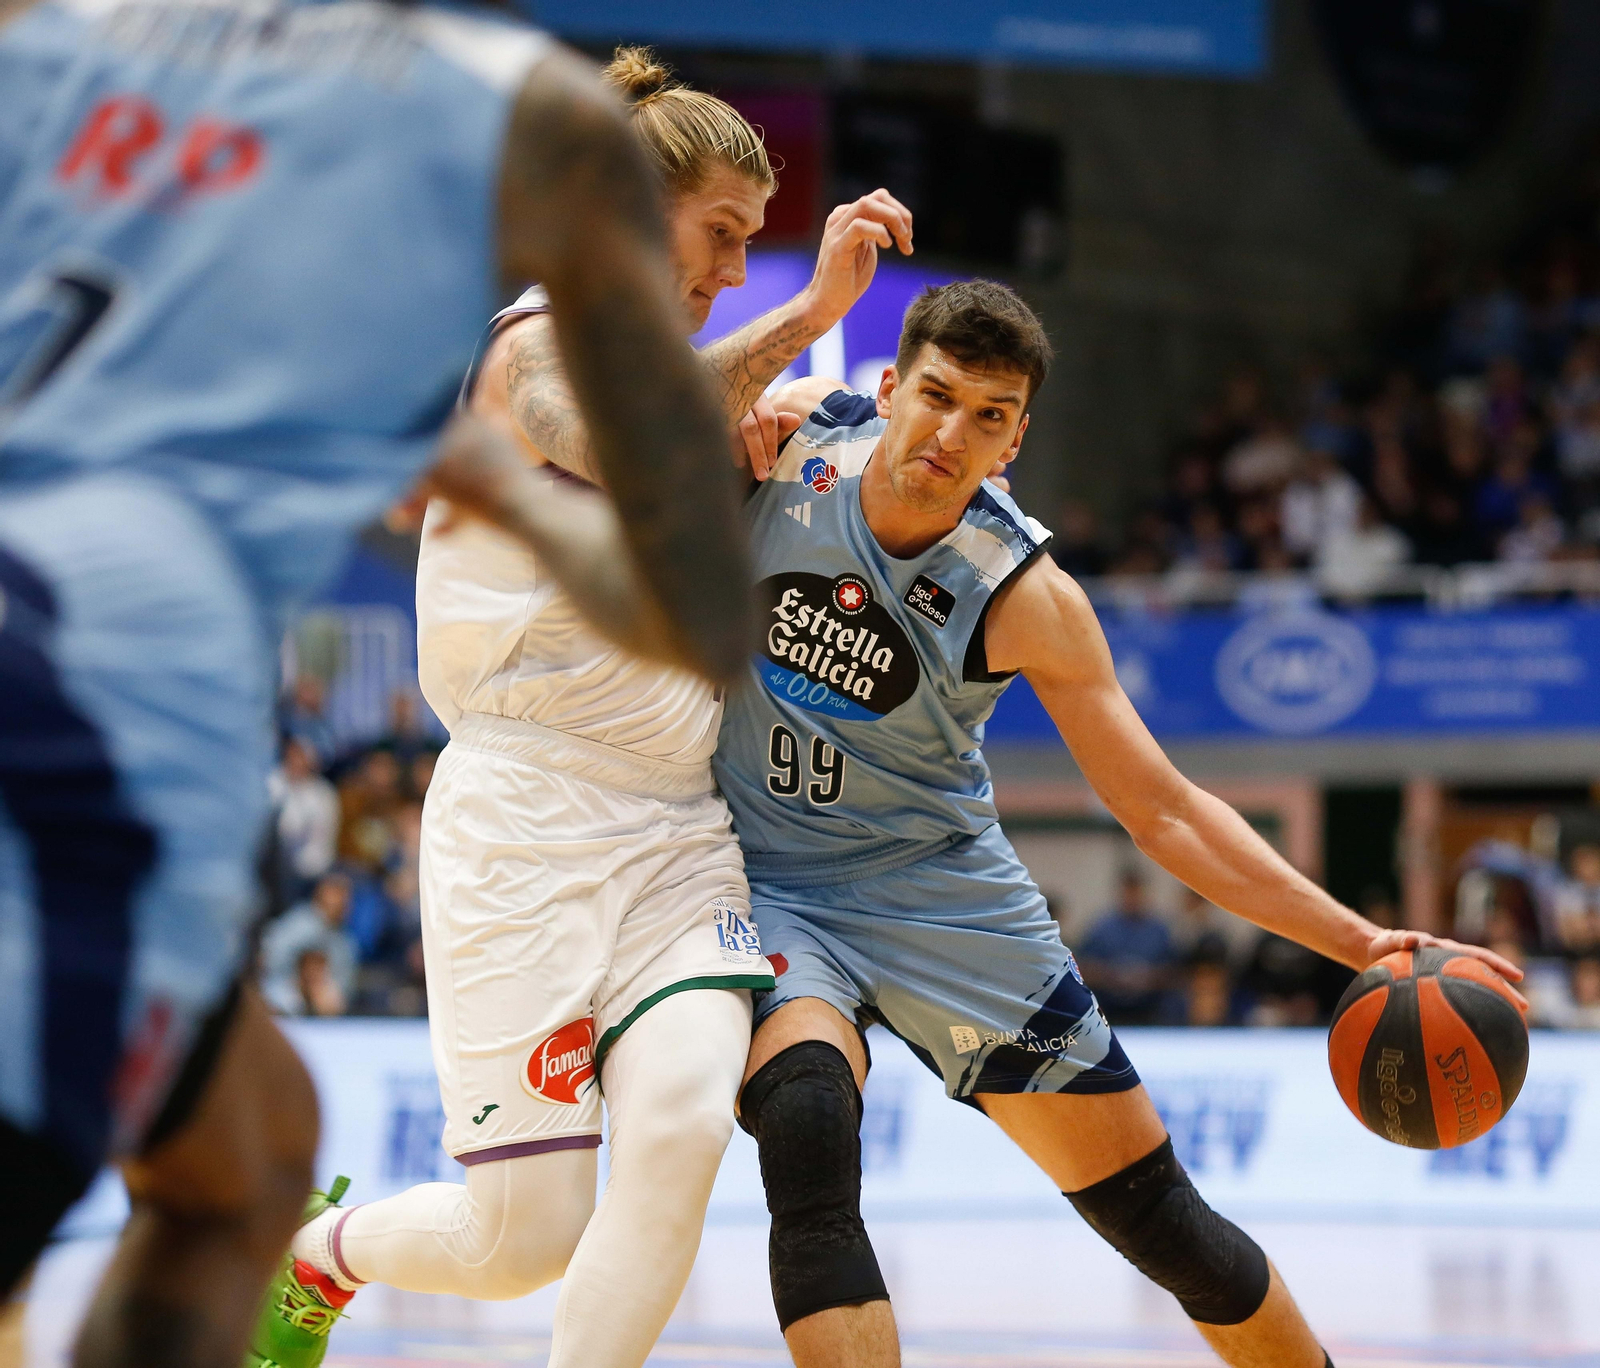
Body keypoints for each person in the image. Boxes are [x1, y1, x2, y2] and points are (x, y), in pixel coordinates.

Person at [0, 6, 756, 1366]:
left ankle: (294, 1259)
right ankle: (307, 1262)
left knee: (260, 1151)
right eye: (720, 229)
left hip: (650, 826)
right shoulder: (483, 138)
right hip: (124, 724)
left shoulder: (63, 64)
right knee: (370, 1201)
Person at [721, 279, 1526, 1368]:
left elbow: (1164, 812)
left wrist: (1362, 941)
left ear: (1013, 443)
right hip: (771, 888)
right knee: (808, 1129)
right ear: (887, 389)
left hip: (941, 895)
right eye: (936, 395)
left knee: (1162, 1225)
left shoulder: (1025, 594)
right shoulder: (791, 440)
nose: (951, 432)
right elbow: (613, 422)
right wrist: (766, 360)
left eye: (989, 415)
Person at [268, 48, 916, 1368]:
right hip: (522, 821)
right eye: (722, 234)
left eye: (754, 246)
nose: (737, 268)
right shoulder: (529, 343)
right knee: (521, 1241)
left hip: (677, 830)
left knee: (678, 1134)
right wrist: (808, 317)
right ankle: (318, 1256)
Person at [1077, 872, 1176, 1025]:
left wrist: (1146, 977)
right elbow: (1083, 967)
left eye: (1136, 892)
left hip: (1151, 1006)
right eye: (1128, 892)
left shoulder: (1159, 929)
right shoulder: (1102, 927)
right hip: (1108, 1006)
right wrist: (1112, 975)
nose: (1132, 898)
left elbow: (1174, 971)